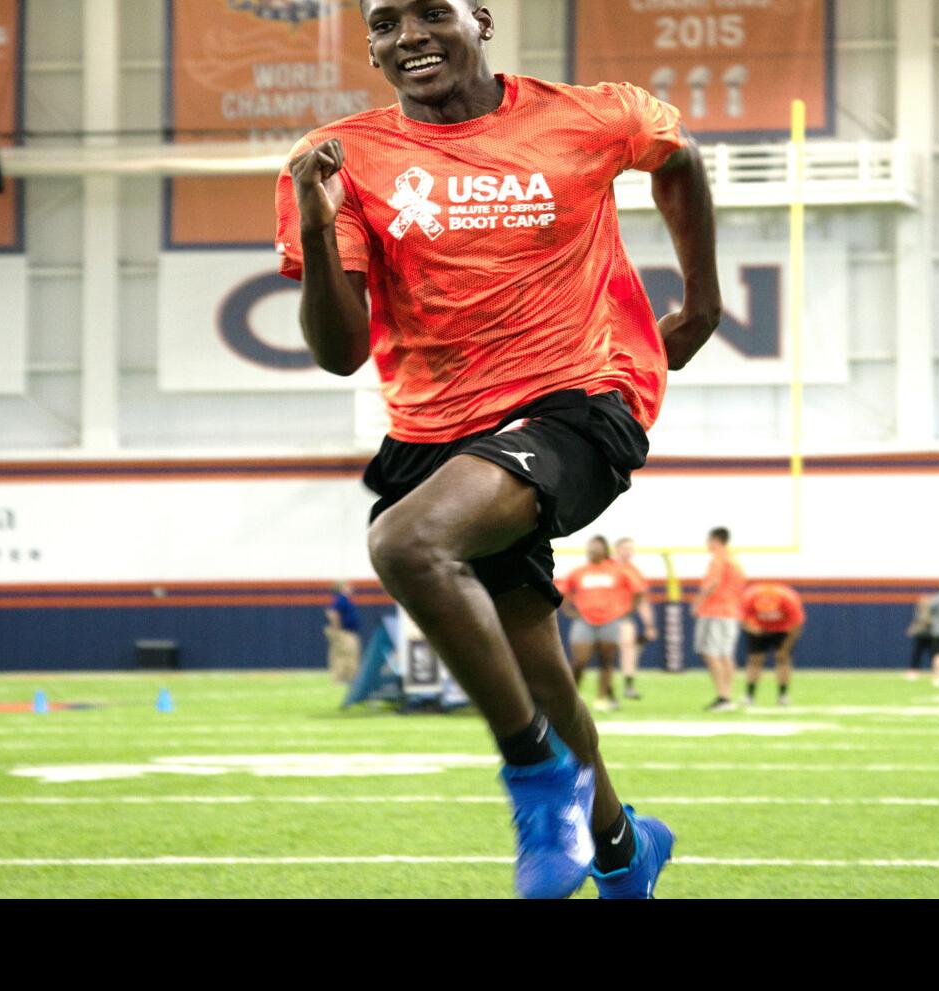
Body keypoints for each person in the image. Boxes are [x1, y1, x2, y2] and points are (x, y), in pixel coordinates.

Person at [277, 0, 721, 898]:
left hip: (581, 397)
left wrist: (701, 301)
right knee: (540, 674)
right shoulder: (341, 156)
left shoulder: (591, 116)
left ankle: (534, 775)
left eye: (431, 13)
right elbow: (339, 351)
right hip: (437, 432)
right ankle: (626, 846)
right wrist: (320, 228)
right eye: (383, 23)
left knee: (407, 542)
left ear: (481, 21)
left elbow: (679, 160)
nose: (409, 36)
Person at [557, 536, 648, 712]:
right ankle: (572, 697)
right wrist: (569, 611)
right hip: (585, 621)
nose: (592, 551)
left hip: (610, 621)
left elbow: (638, 590)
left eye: (596, 548)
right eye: (590, 548)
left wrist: (627, 610)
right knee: (579, 661)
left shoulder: (617, 570)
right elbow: (562, 589)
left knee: (606, 661)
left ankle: (603, 698)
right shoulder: (580, 571)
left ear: (604, 550)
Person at [691, 527, 747, 712]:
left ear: (715, 540)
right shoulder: (735, 560)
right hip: (731, 611)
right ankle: (727, 696)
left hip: (715, 611)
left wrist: (697, 602)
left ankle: (723, 697)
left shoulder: (718, 559)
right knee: (725, 654)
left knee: (711, 652)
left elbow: (712, 584)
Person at [739, 580, 806, 706]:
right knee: (754, 660)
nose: (769, 615)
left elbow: (797, 626)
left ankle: (783, 695)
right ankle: (749, 695)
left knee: (783, 659)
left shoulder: (789, 599)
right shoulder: (749, 598)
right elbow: (741, 619)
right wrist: (751, 628)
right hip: (758, 629)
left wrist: (785, 648)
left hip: (783, 630)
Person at [612, 537, 657, 700]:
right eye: (625, 548)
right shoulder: (607, 567)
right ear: (617, 549)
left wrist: (649, 625)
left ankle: (628, 686)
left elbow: (642, 600)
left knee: (628, 648)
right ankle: (607, 690)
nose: (629, 551)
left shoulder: (634, 571)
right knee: (606, 652)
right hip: (603, 617)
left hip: (624, 616)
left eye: (631, 548)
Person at [324, 581, 363, 684]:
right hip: (344, 632)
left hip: (348, 632)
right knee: (344, 655)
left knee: (349, 655)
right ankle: (342, 678)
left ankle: (348, 678)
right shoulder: (341, 599)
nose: (351, 587)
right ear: (342, 588)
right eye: (347, 585)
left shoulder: (345, 600)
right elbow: (332, 613)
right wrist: (337, 629)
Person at [906, 593, 934, 681]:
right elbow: (917, 622)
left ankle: (937, 671)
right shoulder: (919, 611)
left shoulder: (932, 612)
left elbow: (928, 621)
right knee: (917, 653)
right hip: (921, 635)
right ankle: (913, 671)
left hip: (930, 634)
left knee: (934, 654)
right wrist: (912, 628)